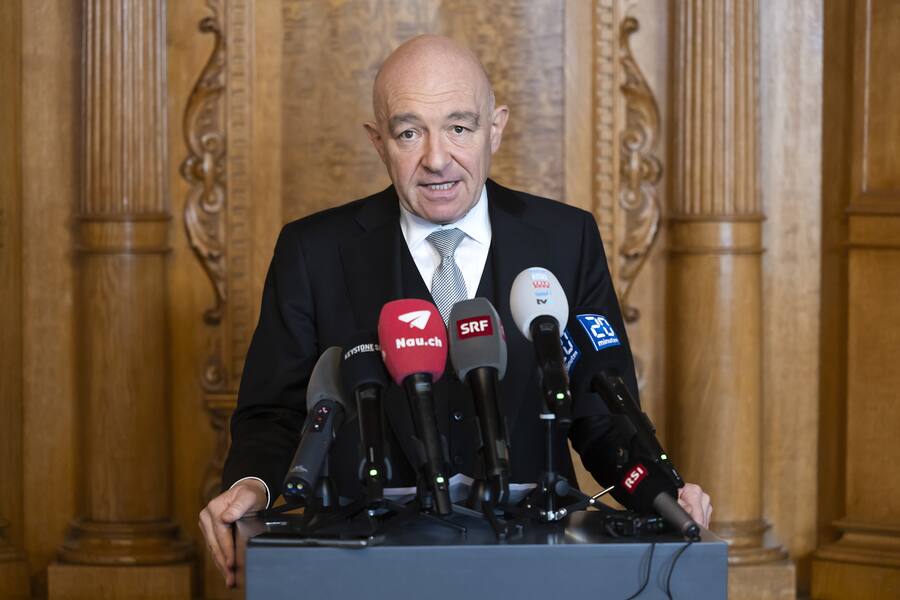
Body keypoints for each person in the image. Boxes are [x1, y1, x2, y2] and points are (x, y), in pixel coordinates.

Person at [199, 34, 712, 587]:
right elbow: (274, 415)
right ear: (379, 141)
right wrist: (253, 485)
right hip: (366, 568)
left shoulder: (566, 238)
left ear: (496, 128)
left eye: (459, 128)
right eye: (409, 132)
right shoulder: (313, 251)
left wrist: (657, 488)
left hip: (536, 567)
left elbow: (602, 409)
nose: (436, 158)